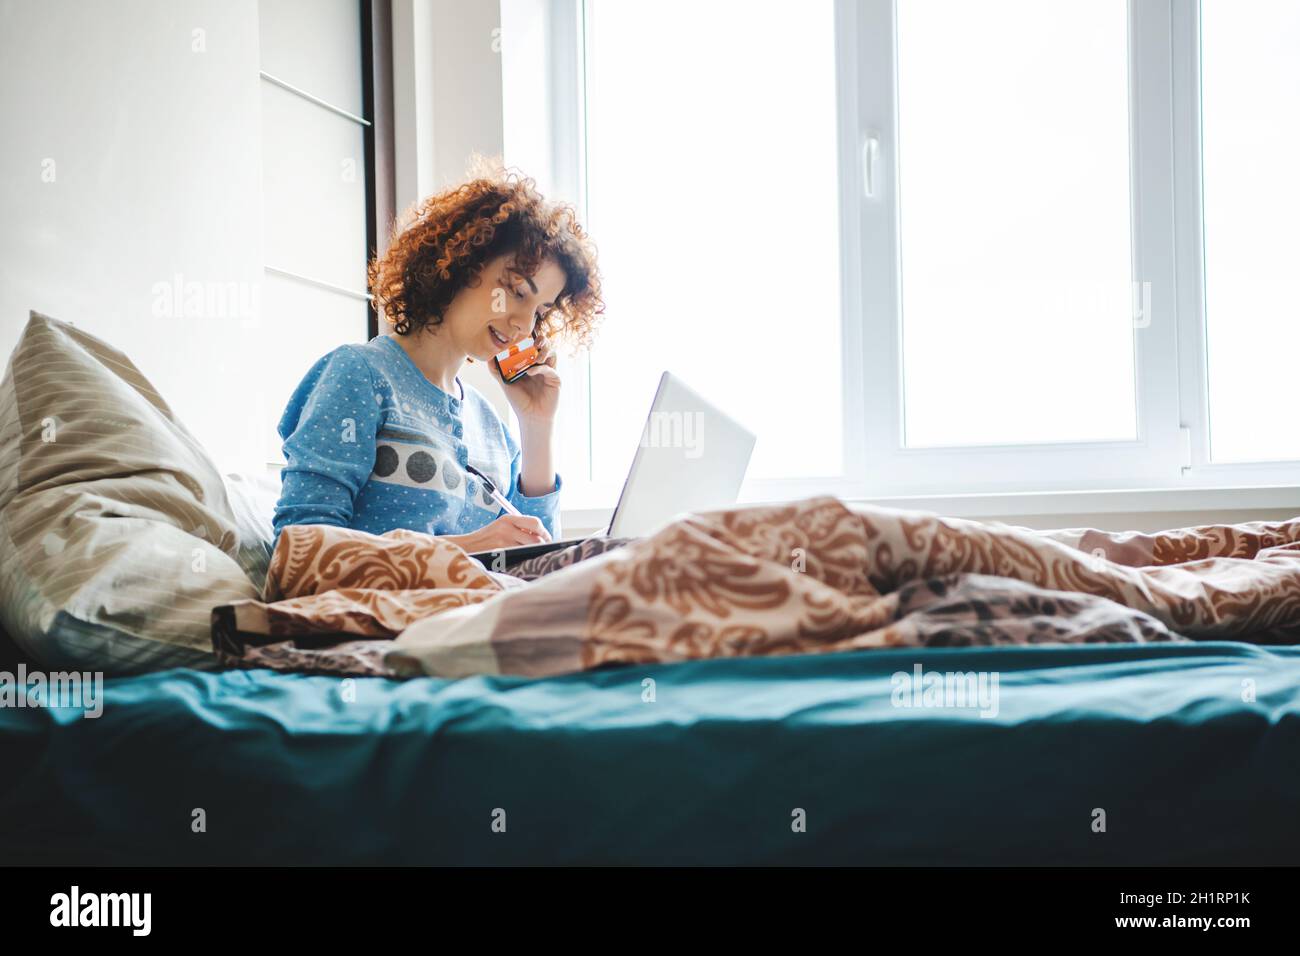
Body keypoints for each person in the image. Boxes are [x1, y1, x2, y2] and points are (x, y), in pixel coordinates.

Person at [272, 168, 603, 553]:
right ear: (464, 263)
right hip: (387, 611)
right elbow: (298, 550)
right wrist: (466, 548)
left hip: (483, 611)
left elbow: (540, 562)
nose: (524, 325)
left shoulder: (492, 430)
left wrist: (536, 425)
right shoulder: (359, 375)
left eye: (540, 311)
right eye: (515, 292)